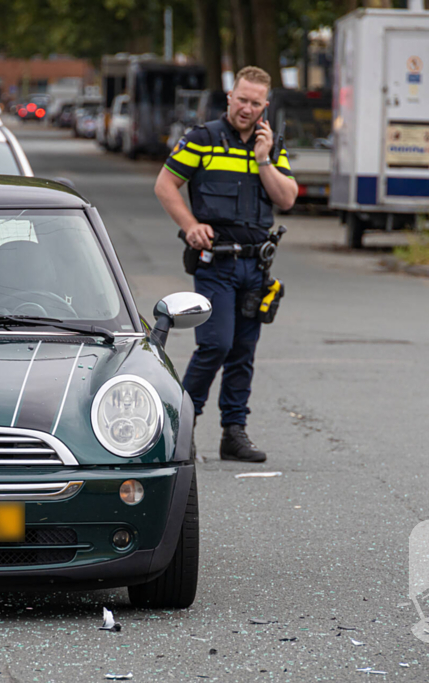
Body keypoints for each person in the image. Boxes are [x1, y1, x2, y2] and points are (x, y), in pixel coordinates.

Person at [154, 66, 297, 463]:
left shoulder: (272, 145)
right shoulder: (203, 139)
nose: (247, 108)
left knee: (242, 351)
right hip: (215, 263)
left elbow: (286, 199)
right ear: (229, 97)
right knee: (215, 344)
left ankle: (233, 433)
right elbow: (165, 185)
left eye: (255, 103)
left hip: (255, 267)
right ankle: (181, 426)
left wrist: (264, 160)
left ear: (264, 106)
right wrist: (190, 226)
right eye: (241, 100)